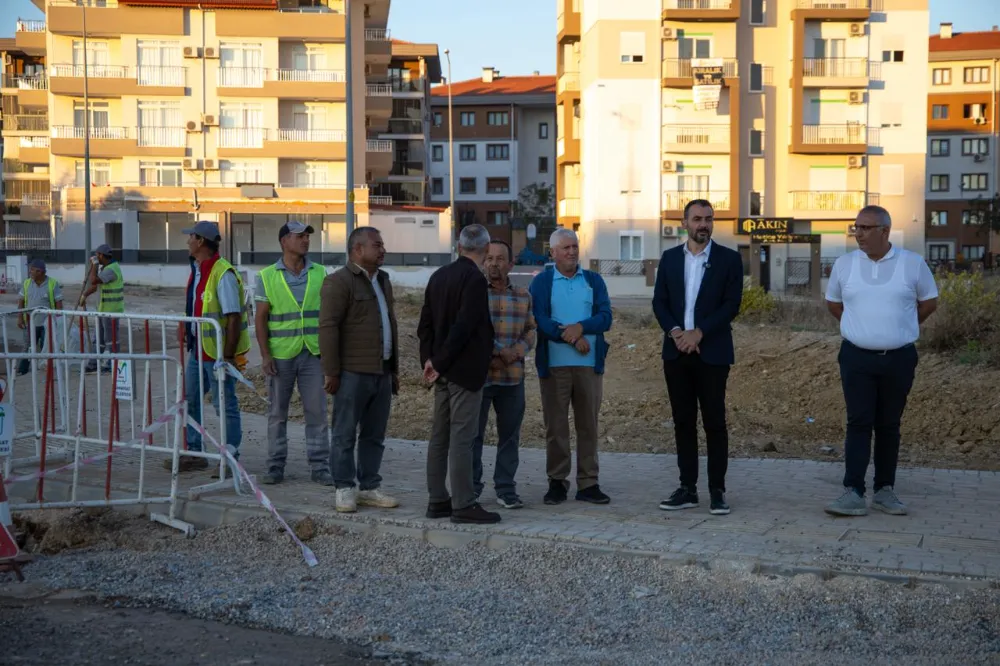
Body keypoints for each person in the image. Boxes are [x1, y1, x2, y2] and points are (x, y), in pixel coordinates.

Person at [824, 205, 938, 517]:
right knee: (858, 422)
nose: (858, 233)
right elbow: (833, 303)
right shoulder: (845, 264)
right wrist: (859, 327)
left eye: (865, 228)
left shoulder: (912, 263)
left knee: (889, 424)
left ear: (885, 231)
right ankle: (853, 491)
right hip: (856, 357)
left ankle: (885, 491)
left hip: (899, 358)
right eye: (856, 227)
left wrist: (901, 326)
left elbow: (929, 302)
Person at [652, 199, 744, 516]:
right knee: (683, 422)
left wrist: (699, 333)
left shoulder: (729, 259)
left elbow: (731, 304)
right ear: (685, 223)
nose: (703, 224)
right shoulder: (669, 259)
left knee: (715, 423)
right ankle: (687, 489)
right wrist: (677, 332)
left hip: (712, 353)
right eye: (697, 219)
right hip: (676, 353)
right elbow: (659, 302)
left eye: (708, 218)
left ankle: (717, 491)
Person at [418, 223, 501, 524]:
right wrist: (440, 362)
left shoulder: (439, 275)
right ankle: (464, 503)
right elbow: (464, 327)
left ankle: (437, 499)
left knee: (439, 437)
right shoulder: (474, 279)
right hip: (464, 372)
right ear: (487, 248)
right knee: (462, 439)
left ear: (459, 246)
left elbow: (425, 325)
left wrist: (429, 361)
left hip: (441, 371)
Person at [319, 226, 401, 513]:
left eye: (382, 244)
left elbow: (388, 323)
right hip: (352, 373)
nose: (383, 250)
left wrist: (393, 370)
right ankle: (344, 487)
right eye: (377, 245)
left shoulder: (383, 280)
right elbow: (328, 328)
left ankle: (369, 487)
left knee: (374, 434)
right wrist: (331, 371)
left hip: (381, 371)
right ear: (357, 249)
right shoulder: (338, 282)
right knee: (344, 433)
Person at [529, 228, 613, 506]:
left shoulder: (593, 280)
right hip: (554, 367)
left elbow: (605, 317)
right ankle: (557, 482)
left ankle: (588, 483)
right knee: (556, 427)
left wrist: (581, 327)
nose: (572, 252)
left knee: (588, 426)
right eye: (565, 248)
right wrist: (573, 337)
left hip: (589, 367)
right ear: (552, 252)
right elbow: (540, 319)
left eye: (575, 246)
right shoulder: (542, 282)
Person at [166, 221, 250, 473]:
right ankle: (195, 451)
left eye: (191, 237)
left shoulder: (222, 273)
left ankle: (231, 456)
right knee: (190, 399)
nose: (188, 241)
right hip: (198, 351)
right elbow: (197, 305)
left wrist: (228, 356)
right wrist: (187, 326)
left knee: (224, 404)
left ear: (201, 241)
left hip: (217, 355)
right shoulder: (198, 269)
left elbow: (233, 317)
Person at [254, 221, 332, 486]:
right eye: (299, 236)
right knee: (277, 413)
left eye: (307, 236)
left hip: (313, 353)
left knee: (317, 413)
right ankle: (275, 466)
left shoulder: (321, 273)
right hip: (281, 356)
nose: (306, 240)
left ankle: (320, 466)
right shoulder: (267, 276)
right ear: (284, 241)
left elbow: (329, 315)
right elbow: (260, 318)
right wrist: (265, 355)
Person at [472, 239, 536, 509]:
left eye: (500, 259)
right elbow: (472, 331)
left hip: (512, 379)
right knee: (473, 436)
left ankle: (506, 488)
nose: (493, 264)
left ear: (510, 264)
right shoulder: (473, 294)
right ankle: (471, 489)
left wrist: (516, 352)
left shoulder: (523, 295)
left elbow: (531, 330)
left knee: (510, 436)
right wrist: (499, 353)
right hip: (480, 378)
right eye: (489, 258)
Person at [79, 244, 124, 373]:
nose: (96, 257)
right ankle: (93, 363)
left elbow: (94, 280)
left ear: (102, 256)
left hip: (111, 310)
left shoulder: (112, 269)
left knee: (111, 339)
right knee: (98, 339)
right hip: (102, 309)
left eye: (97, 255)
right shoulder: (106, 268)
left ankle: (112, 364)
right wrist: (85, 295)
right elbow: (96, 286)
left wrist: (94, 265)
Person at [16, 259, 63, 376]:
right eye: (30, 269)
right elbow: (21, 301)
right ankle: (22, 370)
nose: (30, 272)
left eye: (33, 270)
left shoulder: (52, 283)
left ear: (40, 272)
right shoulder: (27, 283)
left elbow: (58, 303)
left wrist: (58, 320)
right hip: (30, 322)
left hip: (47, 322)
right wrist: (20, 317)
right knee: (27, 346)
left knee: (46, 346)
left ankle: (45, 368)